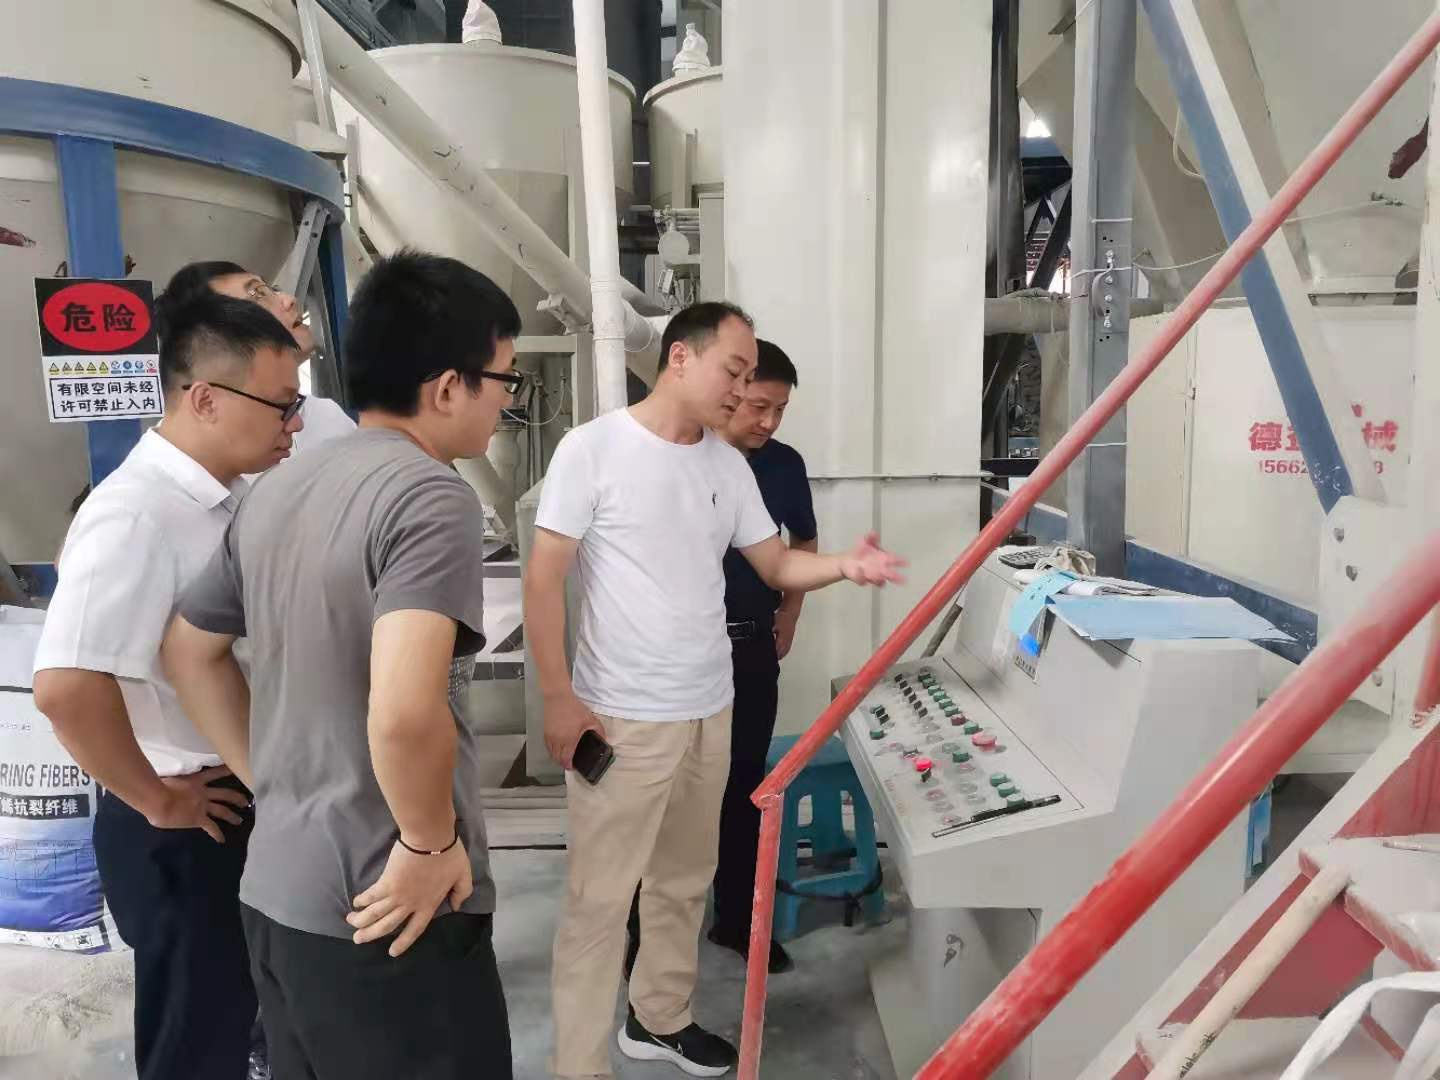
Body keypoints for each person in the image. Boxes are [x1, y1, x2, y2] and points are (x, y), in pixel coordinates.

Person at [161, 250, 522, 1080]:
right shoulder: (430, 495)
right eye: (503, 380)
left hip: (278, 892)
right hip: (388, 909)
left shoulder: (278, 488)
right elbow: (403, 711)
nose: (507, 402)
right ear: (448, 387)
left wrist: (272, 779)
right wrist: (427, 844)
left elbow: (190, 650)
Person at [527, 301, 904, 1079]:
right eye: (734, 372)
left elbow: (775, 563)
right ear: (680, 358)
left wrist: (844, 566)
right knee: (601, 901)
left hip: (710, 704)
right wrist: (559, 697)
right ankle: (578, 1065)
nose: (742, 390)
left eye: (749, 376)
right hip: (623, 715)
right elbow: (543, 579)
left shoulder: (727, 467)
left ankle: (659, 1018)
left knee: (682, 880)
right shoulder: (592, 450)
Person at [32, 295, 306, 1080]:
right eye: (281, 406)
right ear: (206, 399)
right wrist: (156, 799)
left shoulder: (220, 499)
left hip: (230, 796)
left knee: (237, 1013)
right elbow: (65, 686)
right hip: (185, 823)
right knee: (196, 1042)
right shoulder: (136, 515)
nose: (293, 425)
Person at [624, 339, 816, 978]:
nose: (768, 421)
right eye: (759, 405)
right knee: (659, 792)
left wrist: (790, 612)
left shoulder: (783, 466)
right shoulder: (675, 457)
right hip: (674, 655)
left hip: (750, 647)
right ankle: (638, 931)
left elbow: (803, 539)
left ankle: (736, 919)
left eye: (780, 410)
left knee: (745, 786)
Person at [155, 259, 357, 455]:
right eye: (258, 293)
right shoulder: (192, 454)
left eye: (273, 289)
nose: (289, 300)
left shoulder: (328, 417)